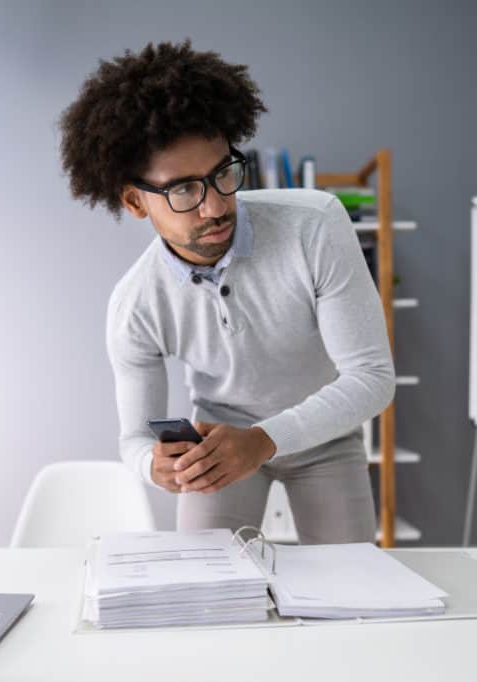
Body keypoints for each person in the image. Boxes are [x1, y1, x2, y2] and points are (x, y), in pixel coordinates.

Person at [58, 40, 395, 544]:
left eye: (222, 175)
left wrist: (263, 441)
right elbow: (132, 440)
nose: (214, 207)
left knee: (353, 591)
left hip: (324, 434)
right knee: (206, 594)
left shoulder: (315, 224)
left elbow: (372, 378)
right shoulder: (136, 304)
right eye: (184, 190)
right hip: (216, 442)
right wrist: (155, 466)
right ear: (134, 201)